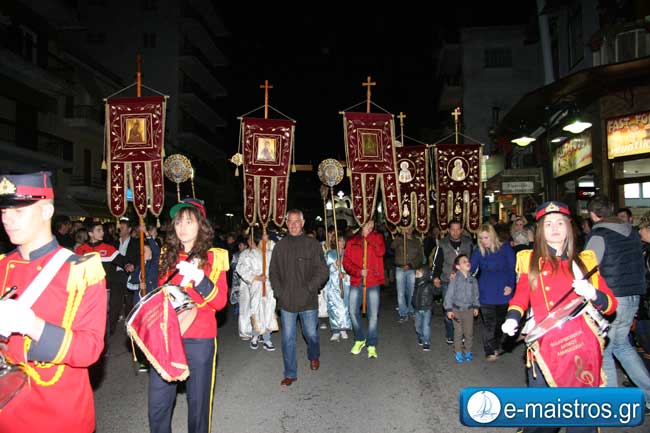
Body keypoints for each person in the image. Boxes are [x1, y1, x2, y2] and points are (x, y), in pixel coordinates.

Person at [0, 171, 107, 433]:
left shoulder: (81, 270)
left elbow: (89, 349)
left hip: (58, 414)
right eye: (4, 211)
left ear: (47, 211)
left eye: (19, 211)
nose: (7, 219)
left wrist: (32, 325)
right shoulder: (2, 266)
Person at [501, 201, 617, 433]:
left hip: (582, 350)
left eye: (560, 223)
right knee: (542, 421)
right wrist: (512, 318)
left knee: (582, 421)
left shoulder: (585, 261)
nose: (554, 228)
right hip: (546, 350)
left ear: (569, 227)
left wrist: (593, 293)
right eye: (548, 224)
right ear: (540, 231)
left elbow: (611, 305)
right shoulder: (530, 260)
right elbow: (521, 296)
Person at [148, 198, 229, 433]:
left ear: (201, 225)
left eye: (189, 221)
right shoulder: (167, 255)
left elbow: (220, 302)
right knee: (158, 404)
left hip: (199, 338)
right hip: (167, 337)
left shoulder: (215, 257)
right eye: (178, 222)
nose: (182, 227)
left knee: (198, 404)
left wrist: (200, 279)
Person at [584, 196, 650, 412]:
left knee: (604, 348)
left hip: (611, 299)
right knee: (622, 346)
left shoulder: (599, 235)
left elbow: (588, 267)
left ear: (593, 215)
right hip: (633, 295)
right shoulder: (631, 231)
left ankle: (612, 404)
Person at [269, 209, 329, 387]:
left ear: (302, 223)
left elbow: (323, 271)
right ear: (286, 224)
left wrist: (310, 288)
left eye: (297, 221)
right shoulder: (280, 247)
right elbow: (273, 272)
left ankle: (314, 354)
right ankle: (290, 373)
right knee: (288, 338)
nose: (294, 224)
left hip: (308, 300)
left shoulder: (312, 245)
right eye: (290, 221)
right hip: (286, 301)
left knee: (311, 334)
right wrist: (279, 292)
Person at [470, 224, 515, 362]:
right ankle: (489, 350)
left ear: (493, 236)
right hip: (485, 291)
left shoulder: (505, 248)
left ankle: (496, 344)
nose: (484, 241)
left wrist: (510, 285)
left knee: (500, 322)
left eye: (486, 237)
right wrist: (458, 272)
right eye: (481, 238)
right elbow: (470, 268)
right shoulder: (479, 251)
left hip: (503, 291)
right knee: (489, 323)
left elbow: (512, 268)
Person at [343, 219, 385, 358]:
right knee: (352, 311)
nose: (371, 226)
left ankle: (371, 344)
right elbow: (346, 262)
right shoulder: (352, 241)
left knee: (373, 314)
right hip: (357, 281)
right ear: (361, 224)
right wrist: (359, 272)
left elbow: (381, 251)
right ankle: (360, 338)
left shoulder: (377, 237)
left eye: (372, 223)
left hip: (373, 281)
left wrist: (369, 237)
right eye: (368, 223)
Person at [431, 220, 473, 345]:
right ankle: (450, 333)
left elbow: (473, 261)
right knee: (449, 308)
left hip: (464, 282)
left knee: (463, 309)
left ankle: (462, 333)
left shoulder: (468, 243)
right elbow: (437, 262)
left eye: (458, 229)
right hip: (447, 281)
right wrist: (435, 277)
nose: (455, 232)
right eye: (452, 229)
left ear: (461, 230)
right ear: (448, 230)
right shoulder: (443, 244)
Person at [236, 232, 277, 351]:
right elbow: (241, 268)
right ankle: (255, 336)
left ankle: (267, 338)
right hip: (256, 286)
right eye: (264, 239)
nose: (267, 242)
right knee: (256, 310)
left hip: (269, 287)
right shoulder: (249, 254)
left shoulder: (269, 254)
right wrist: (256, 277)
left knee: (268, 311)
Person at [444, 254, 479, 363]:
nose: (467, 262)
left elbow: (476, 294)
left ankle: (468, 351)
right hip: (456, 310)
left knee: (469, 332)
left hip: (469, 310)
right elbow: (449, 294)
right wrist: (449, 309)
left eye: (467, 261)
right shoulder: (454, 279)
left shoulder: (473, 279)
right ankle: (458, 351)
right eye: (463, 261)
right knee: (458, 332)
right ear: (458, 266)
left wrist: (476, 306)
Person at [391, 225, 424, 322]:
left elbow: (420, 256)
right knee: (400, 292)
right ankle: (403, 313)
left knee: (411, 291)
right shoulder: (399, 239)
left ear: (413, 229)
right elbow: (392, 246)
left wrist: (410, 265)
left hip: (411, 269)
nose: (408, 230)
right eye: (406, 228)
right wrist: (400, 236)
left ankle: (411, 308)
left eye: (410, 228)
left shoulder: (417, 241)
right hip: (400, 268)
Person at [324, 234, 351, 342]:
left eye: (343, 241)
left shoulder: (348, 253)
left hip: (345, 283)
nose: (342, 243)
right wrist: (335, 265)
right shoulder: (330, 254)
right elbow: (325, 269)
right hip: (333, 284)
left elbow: (352, 268)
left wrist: (345, 274)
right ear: (336, 242)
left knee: (344, 306)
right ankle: (335, 330)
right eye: (339, 241)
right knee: (333, 307)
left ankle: (343, 328)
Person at [411, 266, 437, 351]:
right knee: (417, 326)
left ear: (424, 274)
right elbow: (414, 295)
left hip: (427, 309)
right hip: (417, 309)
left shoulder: (429, 285)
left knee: (426, 326)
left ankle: (426, 342)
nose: (416, 273)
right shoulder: (416, 284)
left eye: (419, 272)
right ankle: (421, 336)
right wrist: (413, 303)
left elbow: (436, 292)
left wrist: (438, 286)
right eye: (416, 273)